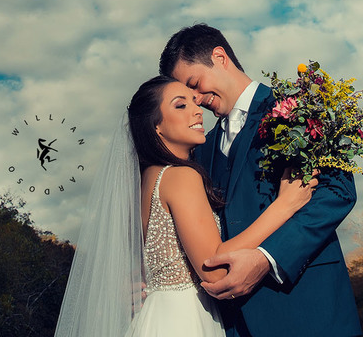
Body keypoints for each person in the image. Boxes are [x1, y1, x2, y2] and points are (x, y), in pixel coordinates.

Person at [53, 75, 318, 337]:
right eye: (181, 105)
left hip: (158, 314)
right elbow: (213, 270)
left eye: (194, 102)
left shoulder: (147, 180)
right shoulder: (181, 176)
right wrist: (284, 206)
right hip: (184, 319)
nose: (197, 111)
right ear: (155, 125)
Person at [160, 24, 362, 337]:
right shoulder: (201, 149)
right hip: (233, 323)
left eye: (195, 84)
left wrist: (267, 259)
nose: (196, 100)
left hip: (309, 310)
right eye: (188, 95)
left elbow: (337, 191)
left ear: (220, 56)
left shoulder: (298, 107)